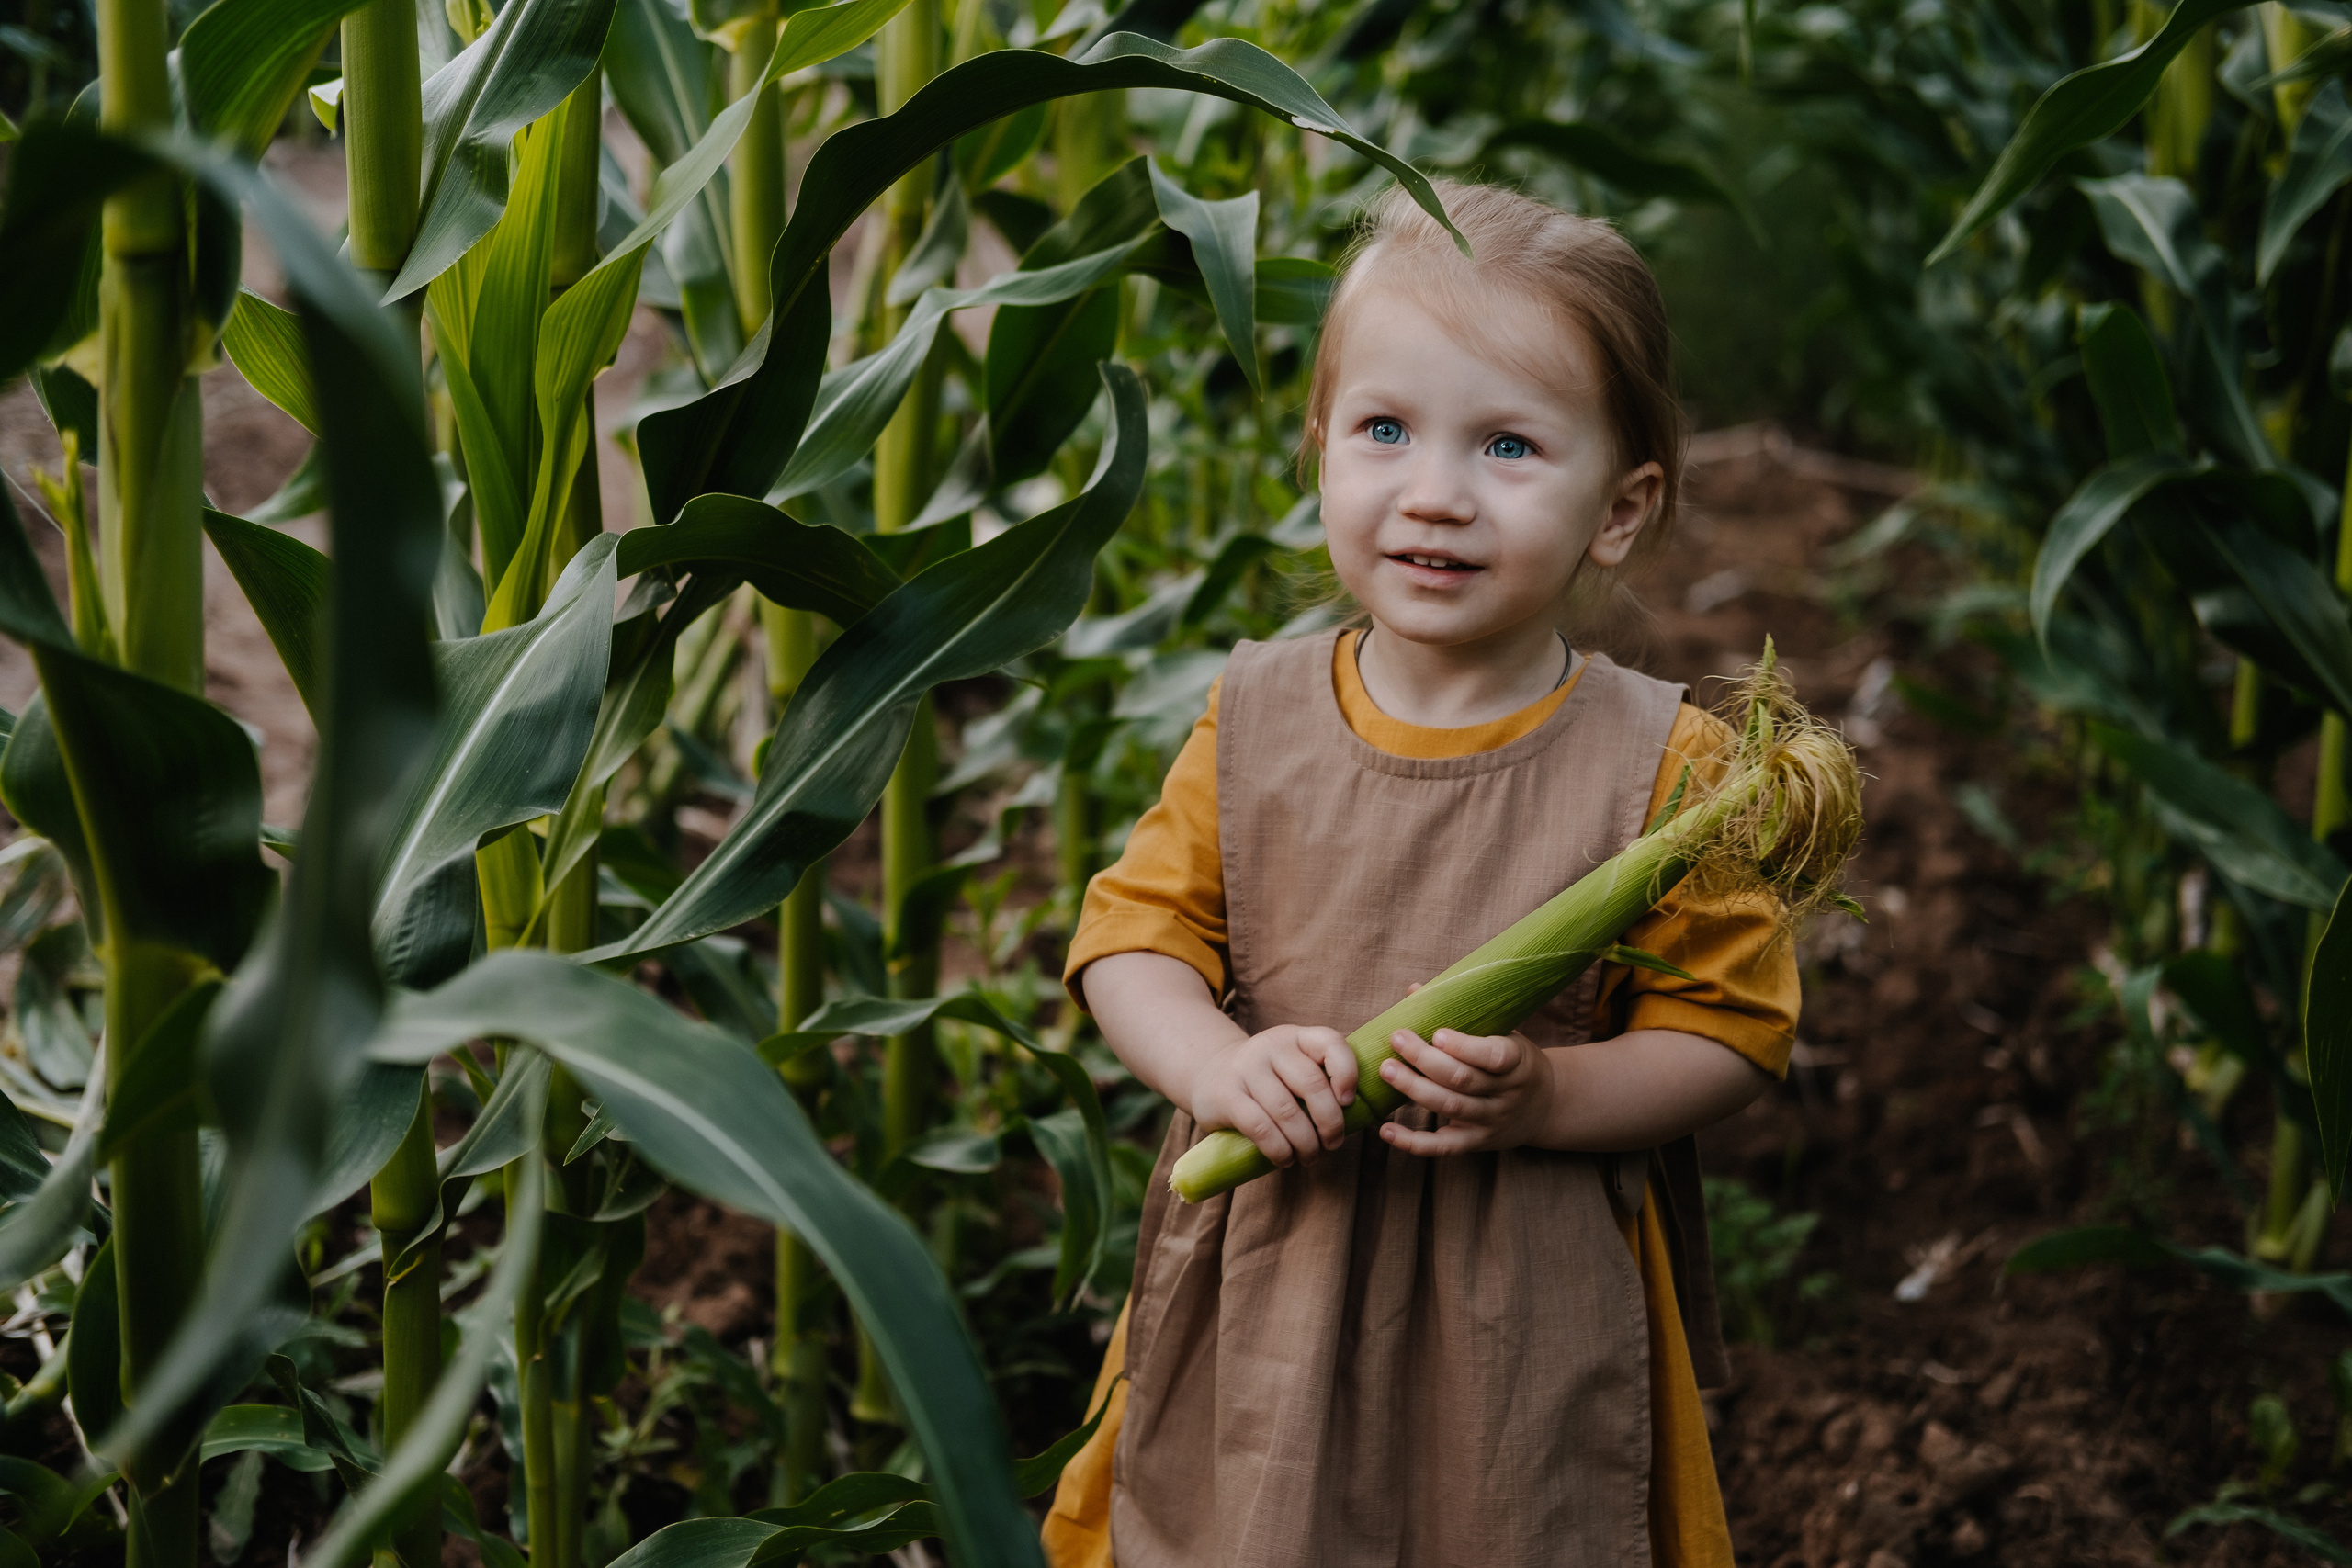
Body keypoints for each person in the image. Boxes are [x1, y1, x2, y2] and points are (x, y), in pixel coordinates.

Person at [1041, 177, 1800, 1568]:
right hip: (1278, 1272)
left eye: (1508, 446)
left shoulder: (1672, 769)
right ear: (1320, 449)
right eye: (1385, 431)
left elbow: (1731, 1032)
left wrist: (1556, 1091)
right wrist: (1215, 1067)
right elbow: (1132, 942)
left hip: (1525, 1298)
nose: (1435, 495)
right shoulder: (1255, 714)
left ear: (1619, 510)